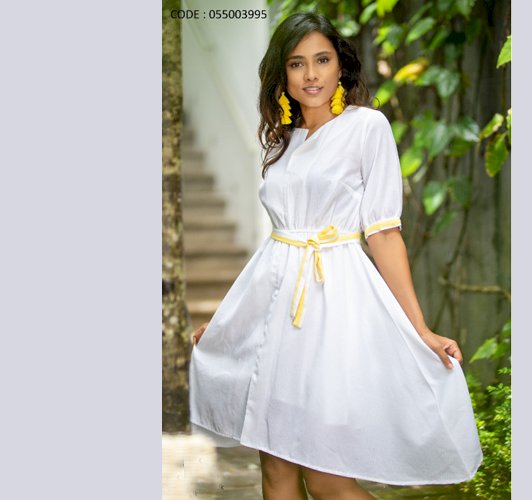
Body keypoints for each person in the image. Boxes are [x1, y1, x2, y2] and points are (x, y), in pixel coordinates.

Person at [189, 12, 482, 500]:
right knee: (275, 467)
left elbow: (383, 234)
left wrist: (420, 329)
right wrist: (228, 323)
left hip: (335, 311)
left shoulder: (367, 127)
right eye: (297, 63)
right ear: (282, 74)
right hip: (277, 320)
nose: (311, 74)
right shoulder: (282, 141)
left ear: (340, 65)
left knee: (327, 478)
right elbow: (278, 247)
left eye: (322, 60)